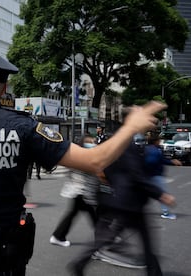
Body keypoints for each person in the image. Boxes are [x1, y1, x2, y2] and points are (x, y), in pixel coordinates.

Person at [0, 41, 166, 276]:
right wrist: (130, 127)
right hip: (4, 253)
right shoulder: (25, 127)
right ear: (4, 89)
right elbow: (95, 161)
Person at [70, 109, 176, 276]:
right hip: (129, 201)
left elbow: (108, 167)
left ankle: (81, 263)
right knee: (140, 240)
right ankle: (80, 263)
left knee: (111, 237)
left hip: (123, 199)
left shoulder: (118, 140)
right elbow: (136, 175)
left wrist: (114, 185)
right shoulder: (126, 142)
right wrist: (160, 194)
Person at [49, 135, 99, 247]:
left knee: (78, 214)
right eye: (90, 142)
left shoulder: (79, 155)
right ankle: (104, 237)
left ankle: (58, 236)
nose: (93, 143)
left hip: (79, 191)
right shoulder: (84, 156)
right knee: (93, 215)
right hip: (82, 191)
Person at [144, 133, 182, 219]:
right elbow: (155, 161)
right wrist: (172, 162)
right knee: (163, 194)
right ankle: (166, 213)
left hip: (147, 175)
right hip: (155, 175)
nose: (160, 142)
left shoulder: (147, 149)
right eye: (159, 140)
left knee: (142, 193)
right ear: (155, 141)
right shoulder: (155, 150)